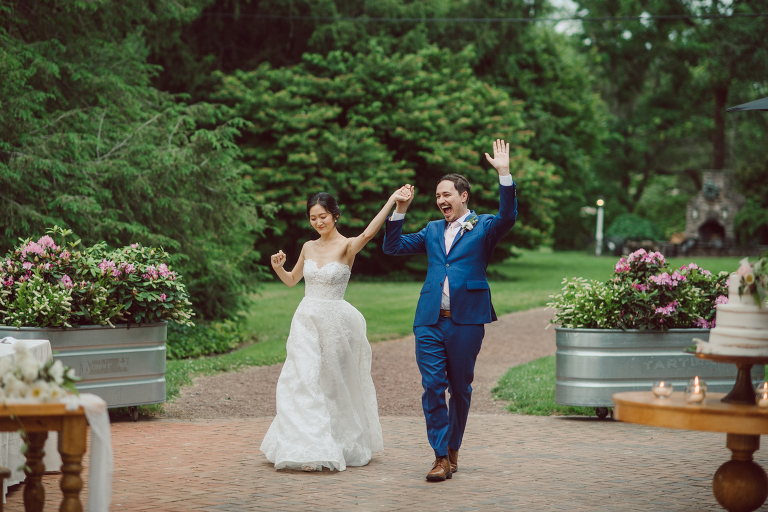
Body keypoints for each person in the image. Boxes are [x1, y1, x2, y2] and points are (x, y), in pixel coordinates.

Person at [383, 139, 518, 481]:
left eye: (447, 194)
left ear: (463, 196)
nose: (441, 200)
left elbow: (509, 216)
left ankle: (454, 447)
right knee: (432, 385)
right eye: (437, 196)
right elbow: (393, 245)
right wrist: (399, 209)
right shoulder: (431, 229)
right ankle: (440, 457)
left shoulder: (484, 227)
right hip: (429, 320)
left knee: (459, 388)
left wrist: (504, 173)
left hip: (467, 320)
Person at [261, 186, 412, 472]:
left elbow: (368, 234)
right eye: (313, 218)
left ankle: (335, 442)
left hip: (334, 324)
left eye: (323, 217)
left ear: (335, 216)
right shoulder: (307, 247)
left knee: (332, 382)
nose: (318, 222)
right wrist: (279, 268)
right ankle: (307, 447)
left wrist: (393, 201)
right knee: (302, 379)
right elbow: (293, 281)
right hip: (305, 320)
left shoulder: (347, 246)